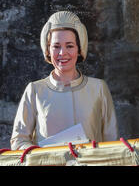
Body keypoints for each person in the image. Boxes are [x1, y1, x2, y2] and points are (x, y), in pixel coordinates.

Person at [10, 11, 118, 150]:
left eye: (70, 46)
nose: (62, 53)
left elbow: (113, 143)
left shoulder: (99, 88)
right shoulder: (35, 90)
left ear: (79, 49)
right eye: (56, 46)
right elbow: (19, 141)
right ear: (48, 49)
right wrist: (43, 157)